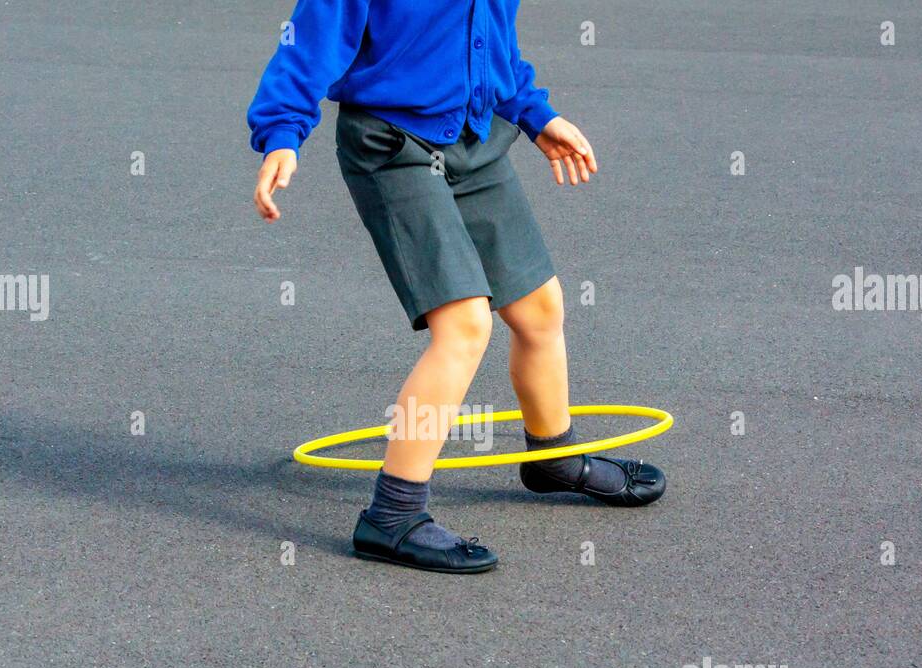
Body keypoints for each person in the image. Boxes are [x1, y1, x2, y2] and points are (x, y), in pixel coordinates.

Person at [248, 1, 665, 574]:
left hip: (476, 137)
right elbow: (310, 43)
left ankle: (552, 456)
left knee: (541, 309)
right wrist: (281, 134)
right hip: (392, 146)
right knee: (466, 326)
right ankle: (393, 513)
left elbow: (492, 42)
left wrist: (534, 113)